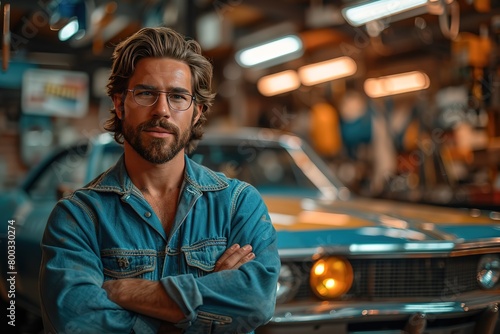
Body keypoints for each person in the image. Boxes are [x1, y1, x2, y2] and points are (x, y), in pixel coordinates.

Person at [39, 26, 280, 334]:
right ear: (119, 103)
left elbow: (257, 301)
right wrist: (205, 299)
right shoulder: (78, 217)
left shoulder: (238, 204)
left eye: (178, 96)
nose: (161, 110)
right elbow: (77, 321)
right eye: (146, 93)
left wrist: (123, 292)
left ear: (196, 112)